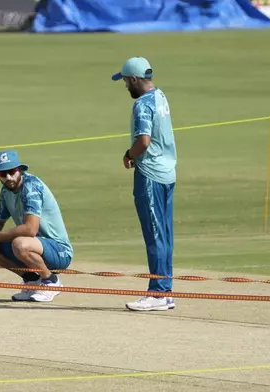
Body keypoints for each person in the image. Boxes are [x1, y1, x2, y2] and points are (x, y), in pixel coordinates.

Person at [112, 57, 177, 311]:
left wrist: (129, 155)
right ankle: (165, 290)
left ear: (134, 79)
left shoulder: (142, 105)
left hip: (150, 174)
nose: (126, 86)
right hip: (168, 171)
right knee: (165, 233)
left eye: (126, 81)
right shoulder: (161, 96)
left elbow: (144, 140)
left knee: (155, 234)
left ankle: (158, 292)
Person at [0, 149, 73, 302]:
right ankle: (32, 280)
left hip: (59, 252)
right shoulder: (6, 191)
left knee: (20, 243)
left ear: (19, 170)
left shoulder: (31, 187)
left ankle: (51, 281)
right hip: (32, 248)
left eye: (12, 171)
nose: (8, 177)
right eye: (2, 174)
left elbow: (31, 229)